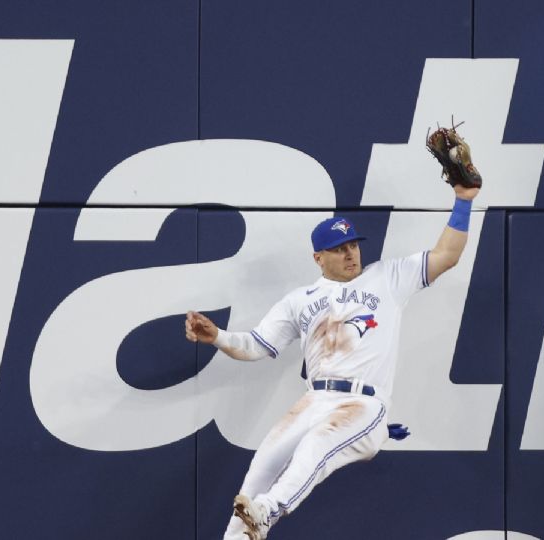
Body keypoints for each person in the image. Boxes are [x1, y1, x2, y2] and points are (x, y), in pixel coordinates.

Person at [185, 182, 481, 539]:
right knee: (256, 477)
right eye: (339, 249)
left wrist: (463, 201)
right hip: (315, 400)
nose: (350, 253)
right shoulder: (299, 300)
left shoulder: (387, 278)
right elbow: (254, 345)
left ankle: (270, 509)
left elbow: (446, 255)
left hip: (362, 401)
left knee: (315, 447)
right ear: (318, 257)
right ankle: (249, 522)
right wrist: (217, 336)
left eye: (353, 245)